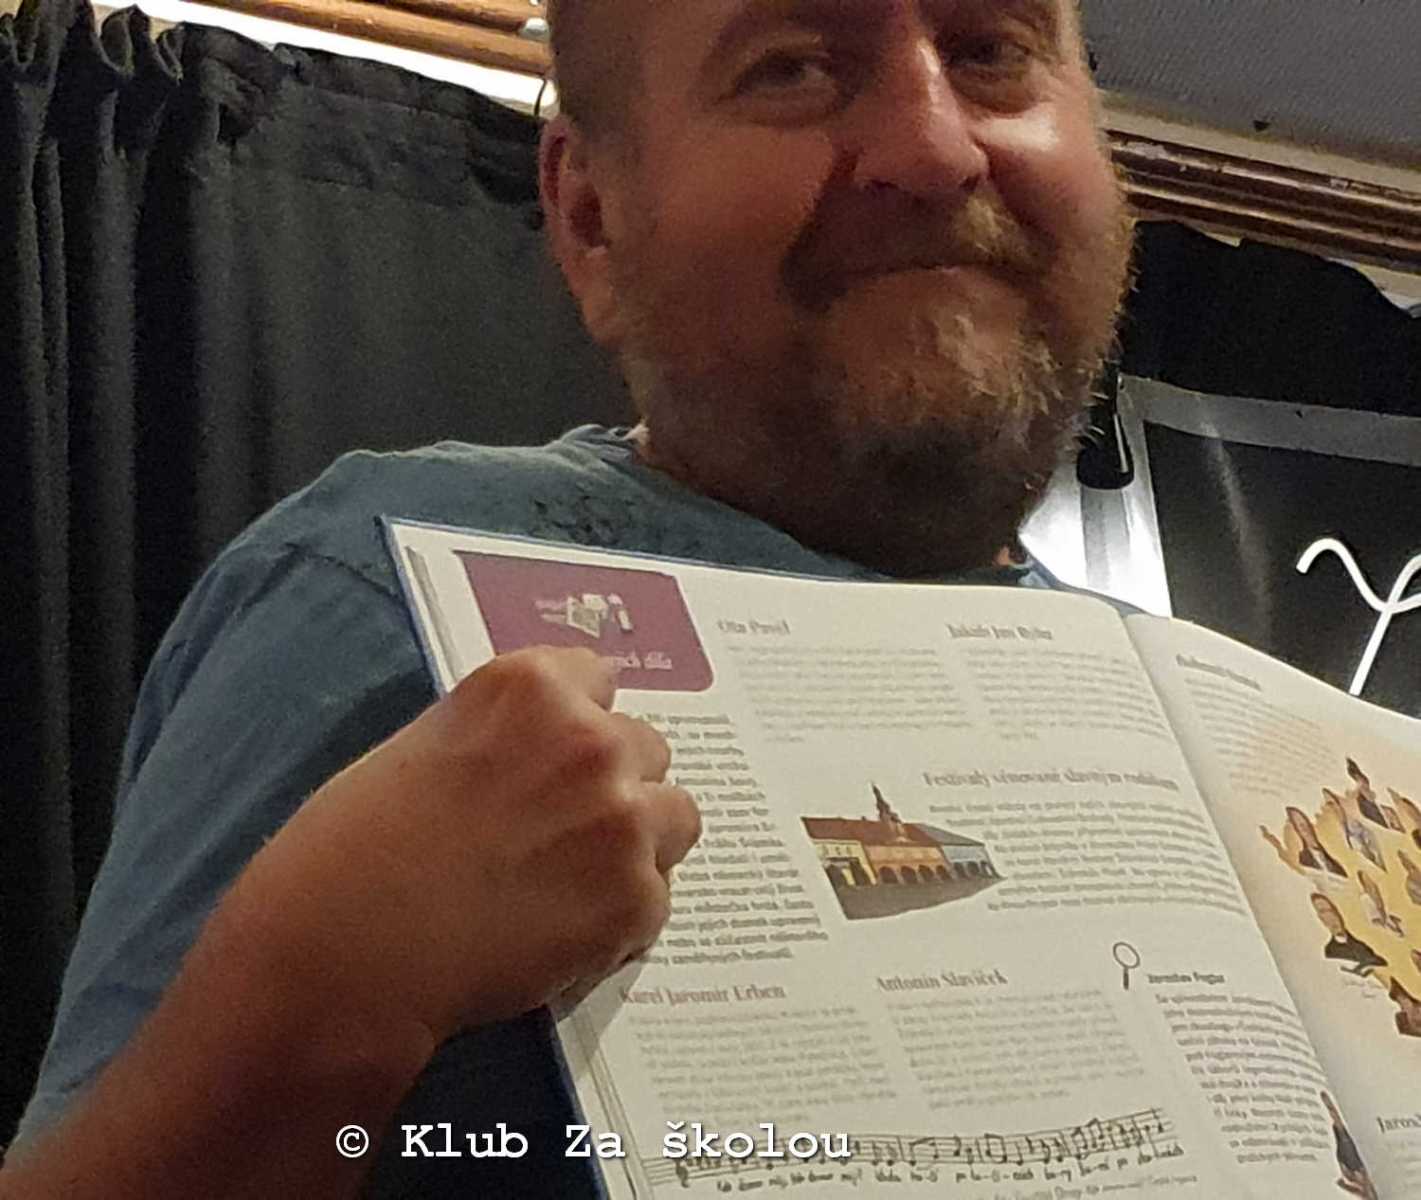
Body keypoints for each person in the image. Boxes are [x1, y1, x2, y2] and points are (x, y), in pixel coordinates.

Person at [1, 0, 1135, 1196]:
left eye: (989, 53)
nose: (934, 147)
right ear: (592, 216)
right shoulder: (378, 589)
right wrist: (319, 998)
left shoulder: (1187, 718)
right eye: (792, 69)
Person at [1310, 894, 1386, 975]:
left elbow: (1381, 962)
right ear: (1321, 919)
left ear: (1338, 913)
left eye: (1331, 910)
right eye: (1323, 912)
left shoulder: (1360, 943)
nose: (1330, 917)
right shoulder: (1331, 952)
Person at [1287, 806, 1349, 878]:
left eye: (1306, 823)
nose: (1306, 829)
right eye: (1301, 826)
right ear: (1297, 831)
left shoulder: (1331, 854)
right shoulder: (1303, 860)